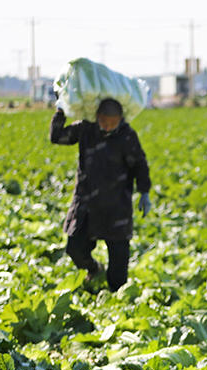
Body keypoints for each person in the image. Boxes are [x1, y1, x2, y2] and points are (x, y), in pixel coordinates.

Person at [50, 98, 151, 292]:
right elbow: (57, 137)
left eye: (112, 124)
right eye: (103, 122)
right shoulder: (86, 129)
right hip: (86, 203)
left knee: (119, 262)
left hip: (116, 206)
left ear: (121, 119)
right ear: (97, 116)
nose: (106, 128)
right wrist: (60, 111)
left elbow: (139, 164)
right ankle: (94, 269)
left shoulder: (126, 136)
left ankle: (117, 297)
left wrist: (144, 192)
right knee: (75, 249)